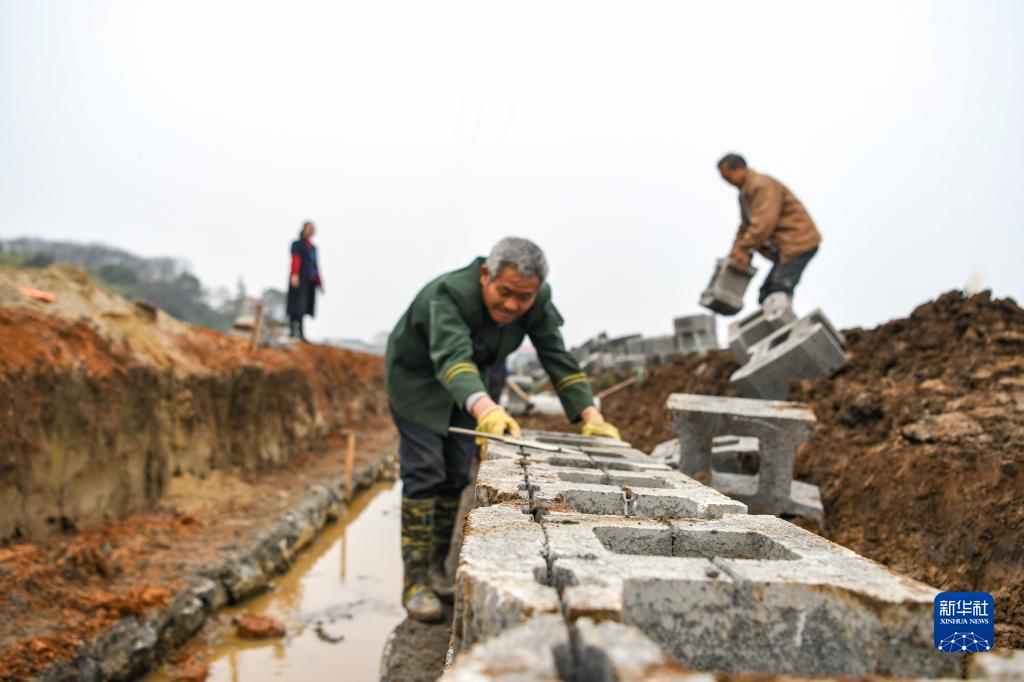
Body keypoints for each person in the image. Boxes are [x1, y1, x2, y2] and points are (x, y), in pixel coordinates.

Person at [385, 237, 621, 622]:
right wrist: (488, 410)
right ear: (485, 275)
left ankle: (436, 570)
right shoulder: (449, 295)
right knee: (425, 471)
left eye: (523, 297)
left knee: (456, 473)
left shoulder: (537, 302)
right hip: (419, 383)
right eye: (505, 293)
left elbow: (557, 356)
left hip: (468, 386)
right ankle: (414, 582)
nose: (512, 305)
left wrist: (591, 415)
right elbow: (452, 359)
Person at [718, 153, 821, 304]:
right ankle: (777, 316)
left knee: (778, 288)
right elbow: (745, 228)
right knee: (766, 292)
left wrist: (744, 248)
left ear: (740, 168)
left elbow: (763, 224)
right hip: (785, 248)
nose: (729, 182)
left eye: (729, 177)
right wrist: (736, 252)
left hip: (798, 242)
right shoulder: (745, 194)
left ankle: (782, 317)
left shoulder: (761, 185)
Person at [286, 221, 323, 340]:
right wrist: (295, 274)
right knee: (295, 305)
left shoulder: (313, 248)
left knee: (303, 307)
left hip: (309, 281)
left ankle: (301, 333)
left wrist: (319, 282)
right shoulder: (298, 244)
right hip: (299, 278)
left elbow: (315, 266)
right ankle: (292, 331)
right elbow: (295, 259)